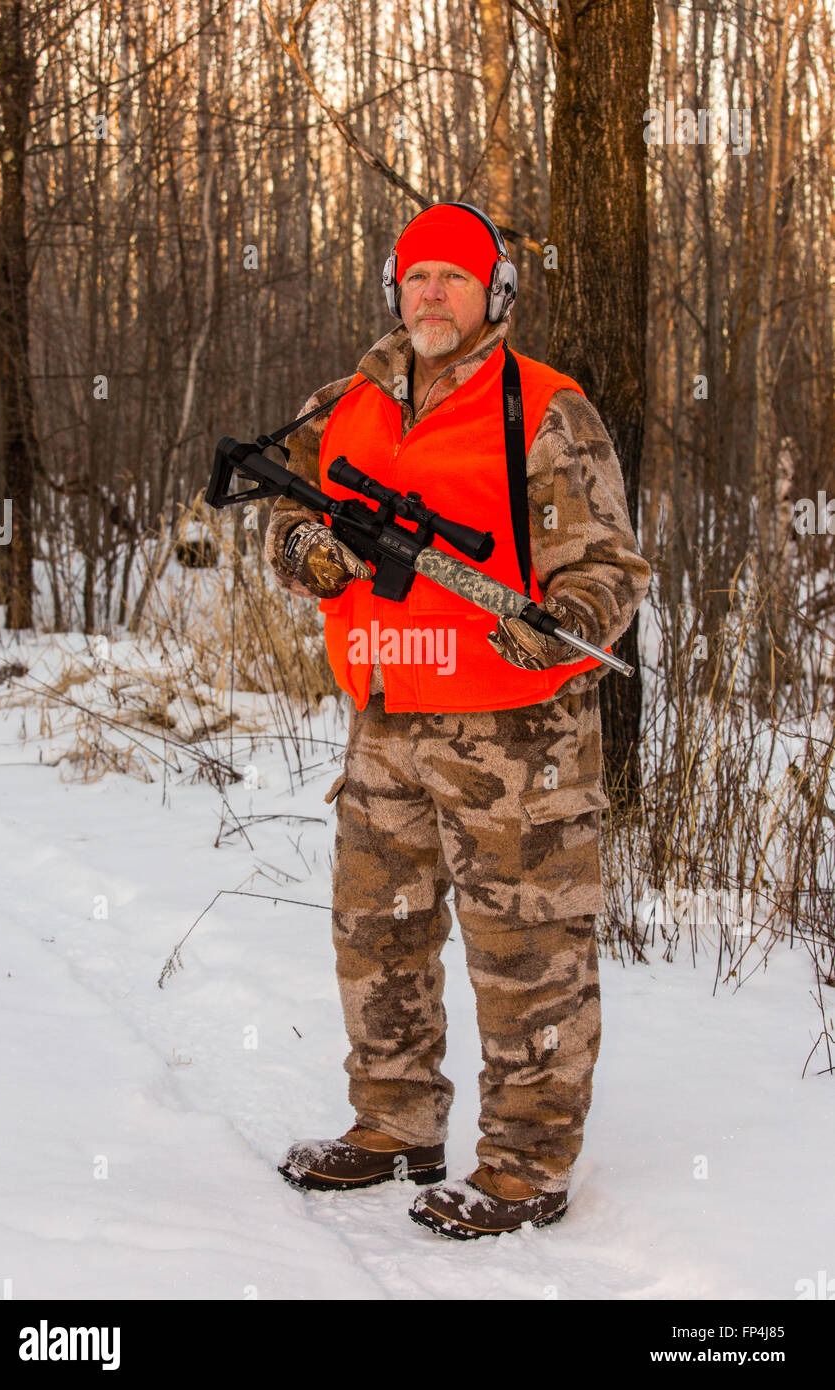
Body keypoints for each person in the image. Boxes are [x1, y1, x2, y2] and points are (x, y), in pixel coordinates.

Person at [263, 201, 651, 1239]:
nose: (432, 294)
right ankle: (392, 1123)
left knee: (526, 951)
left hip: (514, 737)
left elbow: (608, 567)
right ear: (395, 286)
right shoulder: (343, 401)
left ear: (494, 295)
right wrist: (305, 551)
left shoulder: (545, 406)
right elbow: (284, 504)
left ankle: (524, 1169)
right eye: (417, 276)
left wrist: (560, 624)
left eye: (456, 277)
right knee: (376, 931)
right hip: (384, 714)